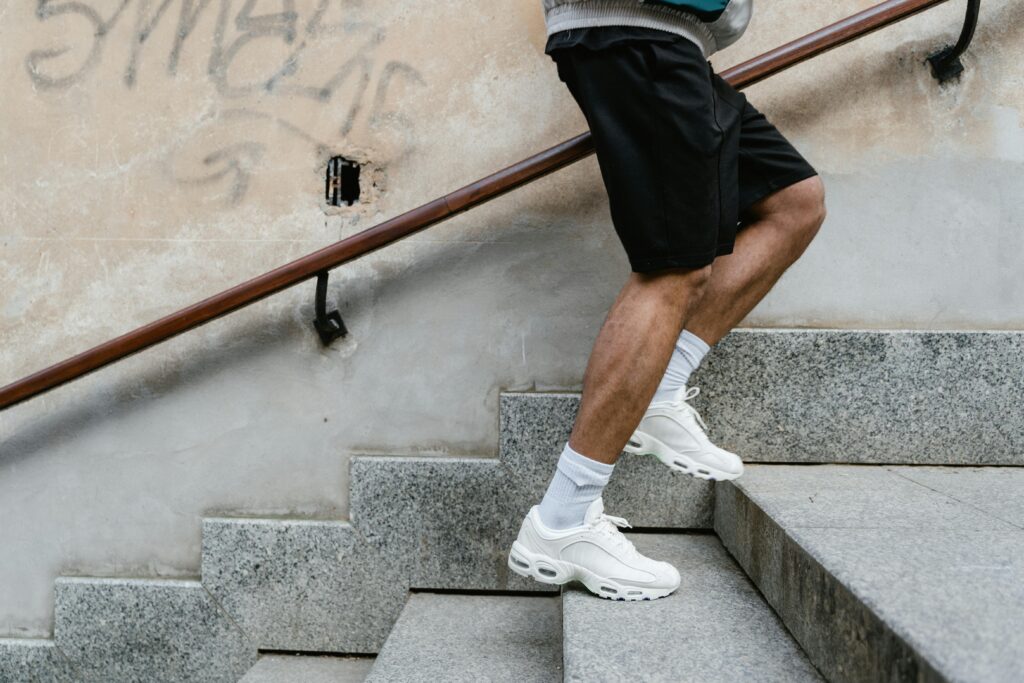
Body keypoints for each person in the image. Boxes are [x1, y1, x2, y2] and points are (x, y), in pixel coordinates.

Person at [508, 0, 827, 600]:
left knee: (793, 201)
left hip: (671, 36)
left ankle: (660, 387)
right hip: (632, 28)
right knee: (673, 270)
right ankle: (562, 519)